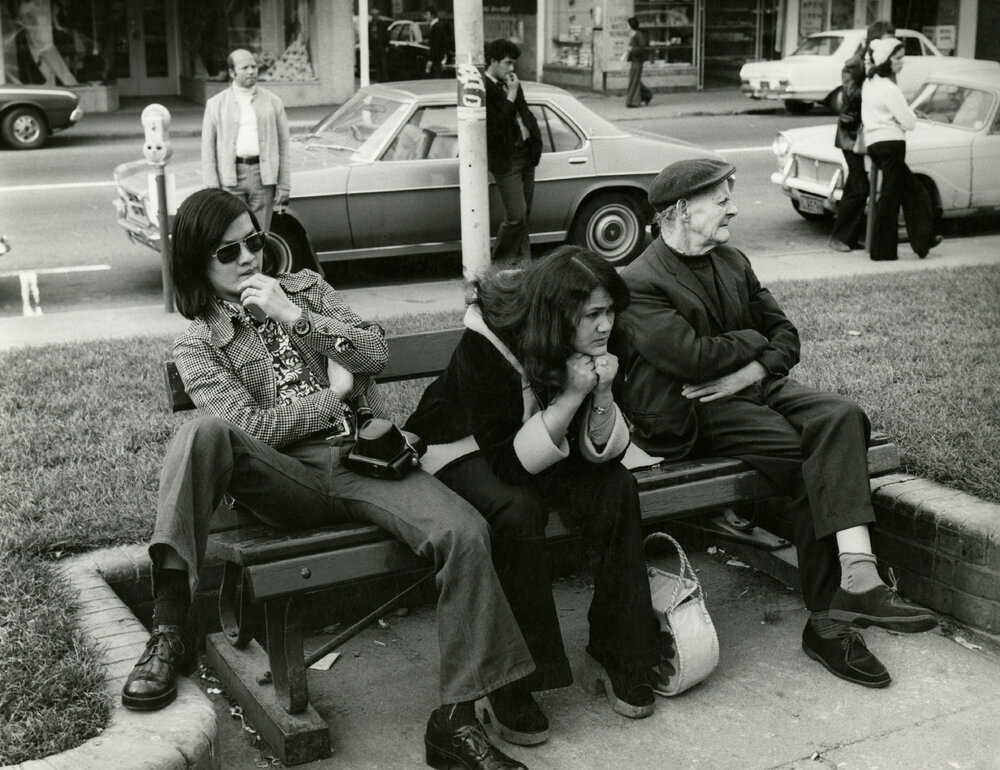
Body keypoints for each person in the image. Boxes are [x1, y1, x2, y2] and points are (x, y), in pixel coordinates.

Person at [120, 188, 535, 770]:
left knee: (464, 532)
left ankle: (454, 723)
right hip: (287, 477)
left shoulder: (307, 290)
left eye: (253, 241)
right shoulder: (198, 342)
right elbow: (251, 428)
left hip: (368, 459)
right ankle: (170, 628)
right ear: (197, 263)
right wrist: (334, 394)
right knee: (200, 434)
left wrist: (296, 318)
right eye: (228, 251)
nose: (247, 258)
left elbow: (374, 353)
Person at [616, 158, 939, 690]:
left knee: (843, 416)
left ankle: (859, 574)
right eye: (721, 200)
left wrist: (752, 367)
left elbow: (786, 333)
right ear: (681, 210)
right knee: (814, 458)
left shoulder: (732, 260)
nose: (734, 208)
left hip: (752, 385)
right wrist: (754, 341)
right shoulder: (639, 280)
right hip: (689, 410)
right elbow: (693, 359)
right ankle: (829, 624)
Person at [405, 246, 660, 747]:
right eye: (593, 314)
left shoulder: (606, 337)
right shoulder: (487, 342)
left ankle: (619, 651)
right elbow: (507, 463)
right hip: (463, 445)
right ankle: (512, 681)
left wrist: (601, 393)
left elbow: (605, 452)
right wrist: (572, 394)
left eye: (610, 311)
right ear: (556, 314)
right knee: (516, 509)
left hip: (542, 440)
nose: (605, 325)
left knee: (617, 487)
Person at [862, 38, 942, 261]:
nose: (902, 63)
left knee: (911, 192)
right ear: (887, 60)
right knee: (895, 197)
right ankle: (885, 251)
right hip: (892, 144)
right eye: (898, 58)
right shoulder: (890, 88)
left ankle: (922, 242)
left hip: (874, 143)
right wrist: (901, 120)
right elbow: (910, 122)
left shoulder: (870, 83)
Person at [201, 49, 290, 234]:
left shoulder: (273, 102)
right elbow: (207, 149)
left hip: (263, 177)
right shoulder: (216, 104)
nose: (251, 71)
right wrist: (212, 187)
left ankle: (260, 254)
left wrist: (284, 184)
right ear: (232, 72)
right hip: (230, 178)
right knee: (233, 233)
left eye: (254, 67)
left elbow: (284, 147)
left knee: (260, 234)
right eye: (245, 68)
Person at [828, 20, 895, 253]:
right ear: (873, 40)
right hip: (851, 134)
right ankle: (840, 237)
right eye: (887, 39)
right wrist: (870, 80)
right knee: (859, 186)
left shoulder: (879, 63)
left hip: (865, 132)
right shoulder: (855, 63)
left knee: (857, 185)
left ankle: (847, 236)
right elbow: (849, 95)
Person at [483, 39, 543, 263]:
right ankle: (499, 263)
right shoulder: (484, 89)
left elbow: (524, 112)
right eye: (507, 63)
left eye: (513, 63)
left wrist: (533, 135)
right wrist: (510, 96)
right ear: (493, 61)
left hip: (525, 154)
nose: (511, 68)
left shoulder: (512, 84)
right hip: (506, 159)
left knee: (524, 215)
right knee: (516, 215)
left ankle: (523, 263)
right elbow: (496, 128)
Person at [624, 16, 652, 109]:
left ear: (631, 25)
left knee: (634, 80)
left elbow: (642, 47)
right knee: (634, 80)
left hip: (638, 61)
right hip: (634, 60)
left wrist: (632, 50)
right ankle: (647, 95)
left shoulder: (638, 34)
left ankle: (633, 101)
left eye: (627, 25)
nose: (626, 26)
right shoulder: (633, 35)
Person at [424, 6, 449, 78]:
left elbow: (436, 45)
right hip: (438, 59)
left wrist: (430, 59)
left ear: (432, 15)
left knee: (436, 78)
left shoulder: (437, 27)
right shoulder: (436, 26)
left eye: (427, 14)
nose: (425, 17)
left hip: (437, 60)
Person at [369, 6, 389, 82]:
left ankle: (385, 77)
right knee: (376, 62)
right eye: (373, 15)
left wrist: (387, 45)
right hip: (374, 45)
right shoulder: (370, 24)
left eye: (376, 15)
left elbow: (386, 35)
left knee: (383, 62)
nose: (375, 16)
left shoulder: (382, 24)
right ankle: (379, 77)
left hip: (381, 45)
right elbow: (369, 35)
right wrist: (370, 47)